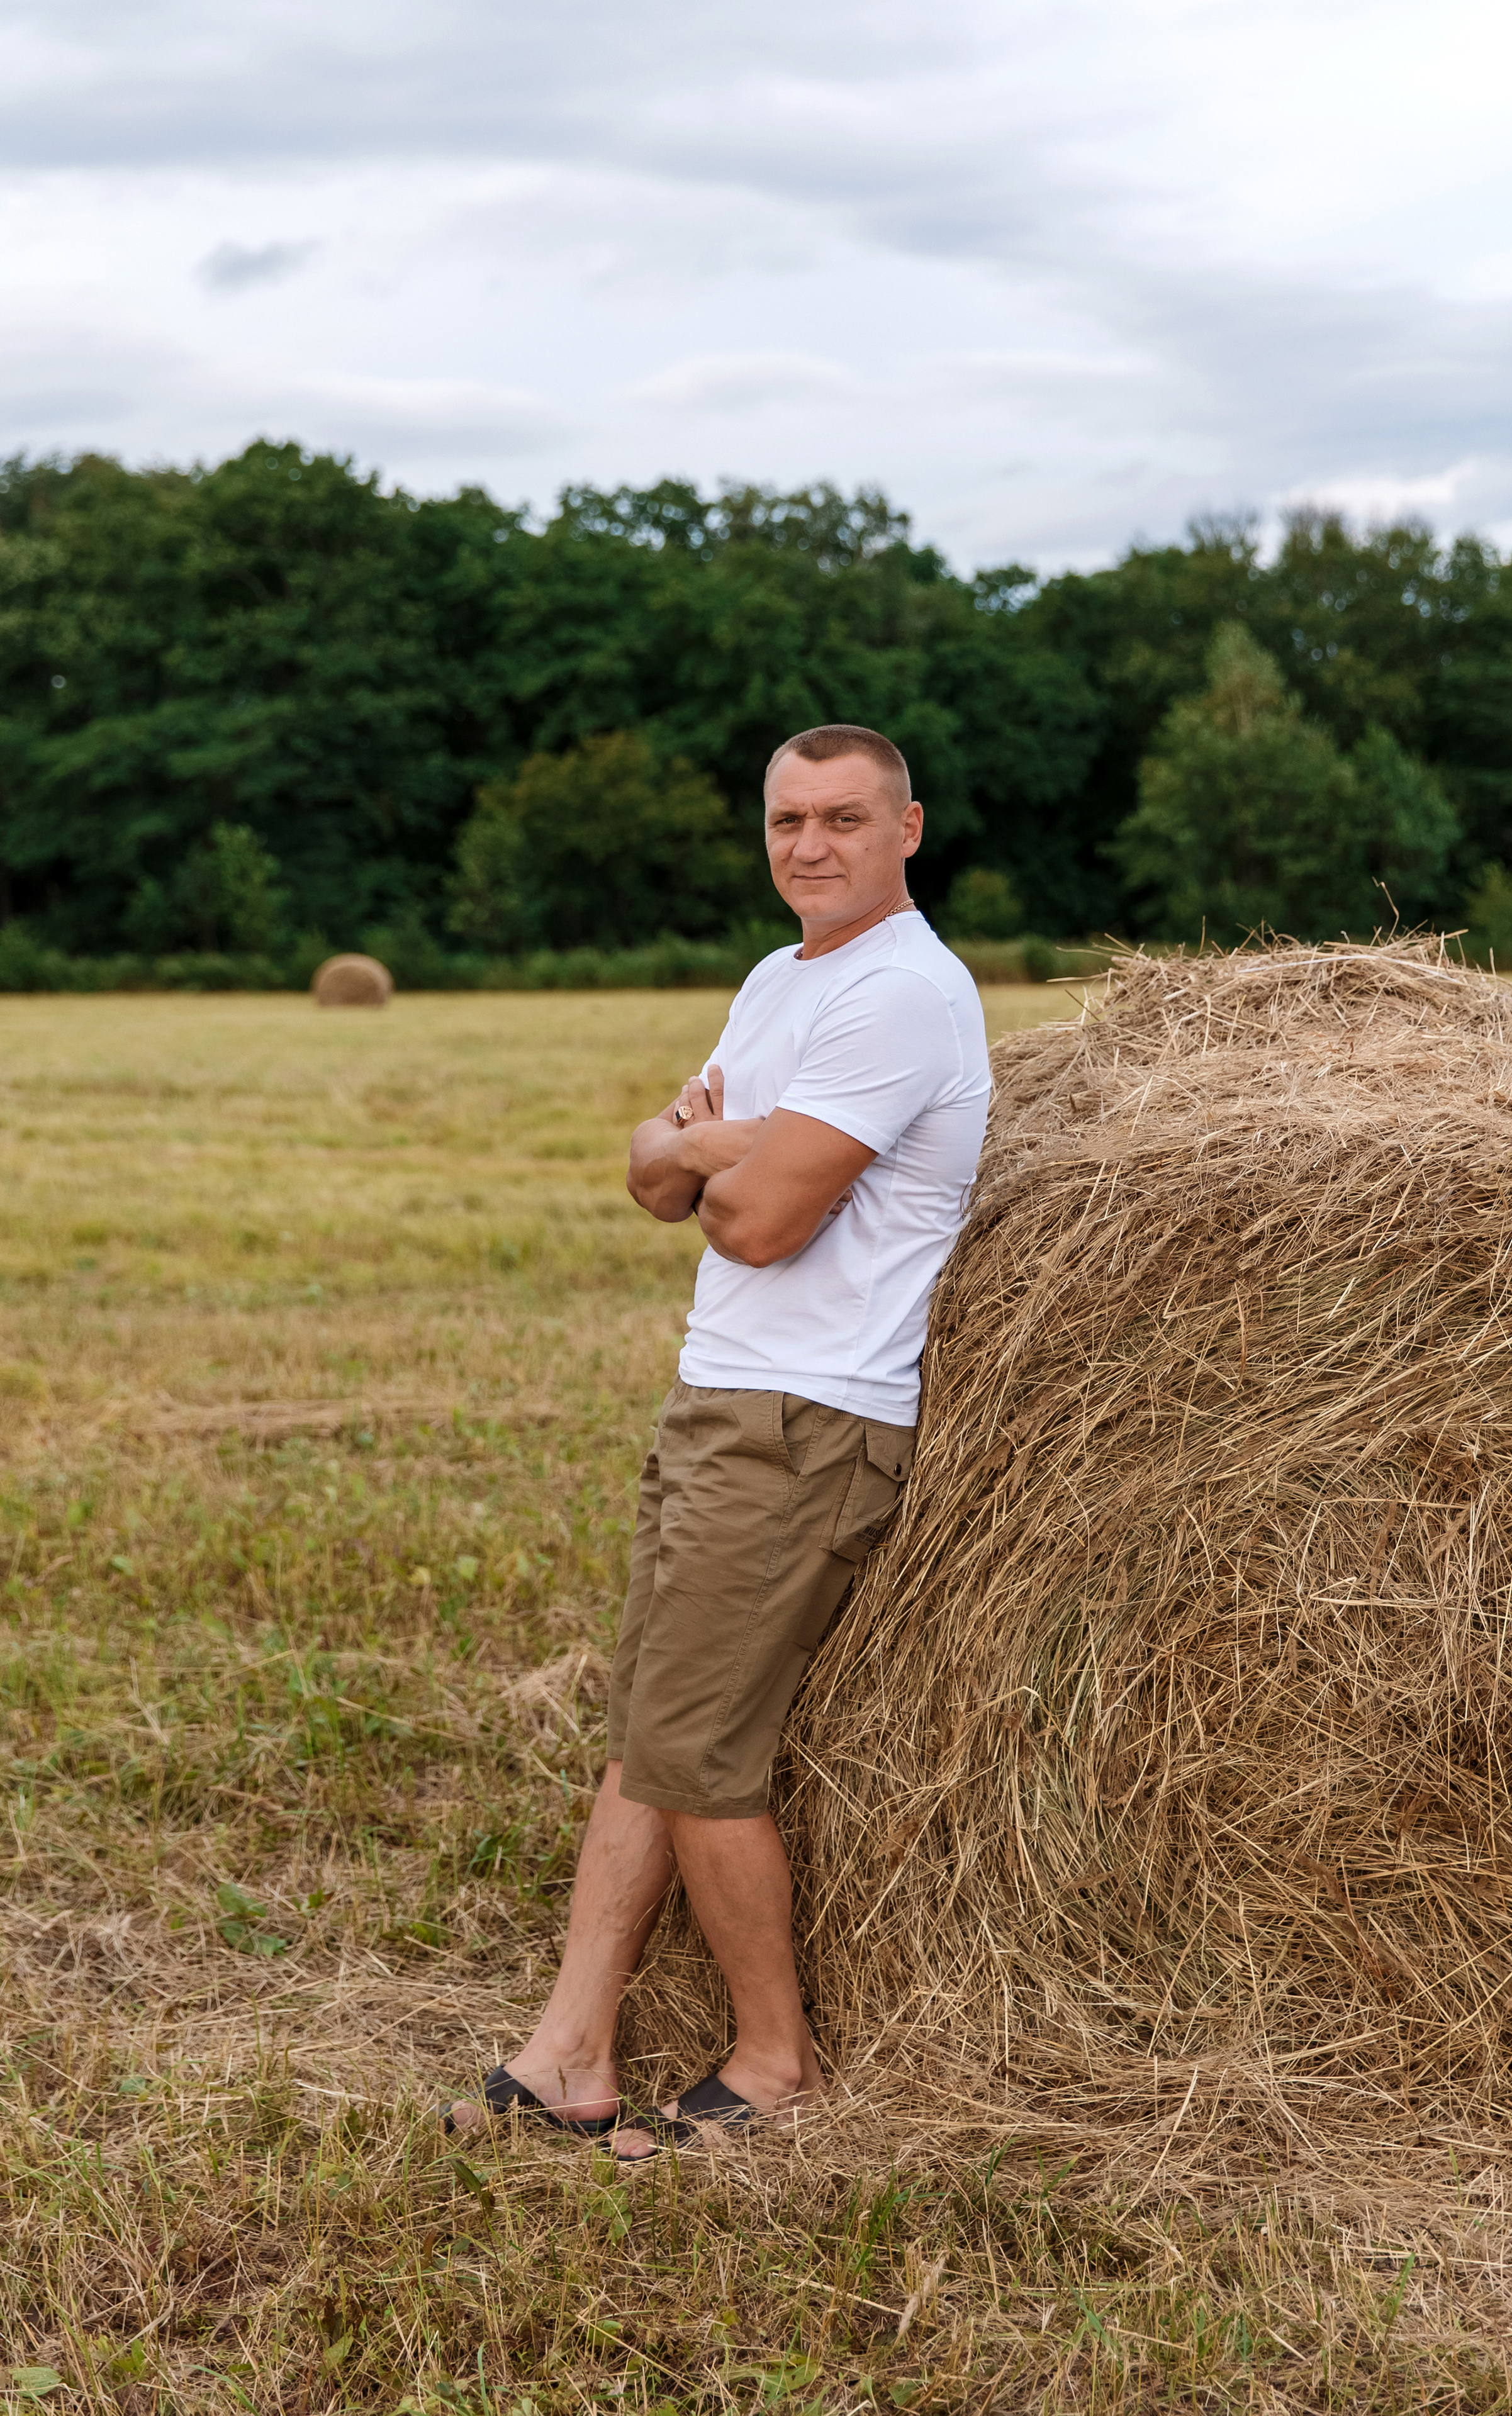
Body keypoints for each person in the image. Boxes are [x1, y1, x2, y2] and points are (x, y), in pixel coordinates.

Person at [444, 722, 990, 2158]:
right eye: (786, 820)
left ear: (908, 829)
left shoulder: (902, 997)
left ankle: (773, 2061)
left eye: (843, 820)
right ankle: (570, 2050)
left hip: (805, 1421)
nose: (809, 846)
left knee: (693, 1752)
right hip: (720, 1395)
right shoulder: (777, 981)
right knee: (649, 1729)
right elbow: (650, 1183)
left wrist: (701, 1148)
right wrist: (698, 1151)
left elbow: (740, 1215)